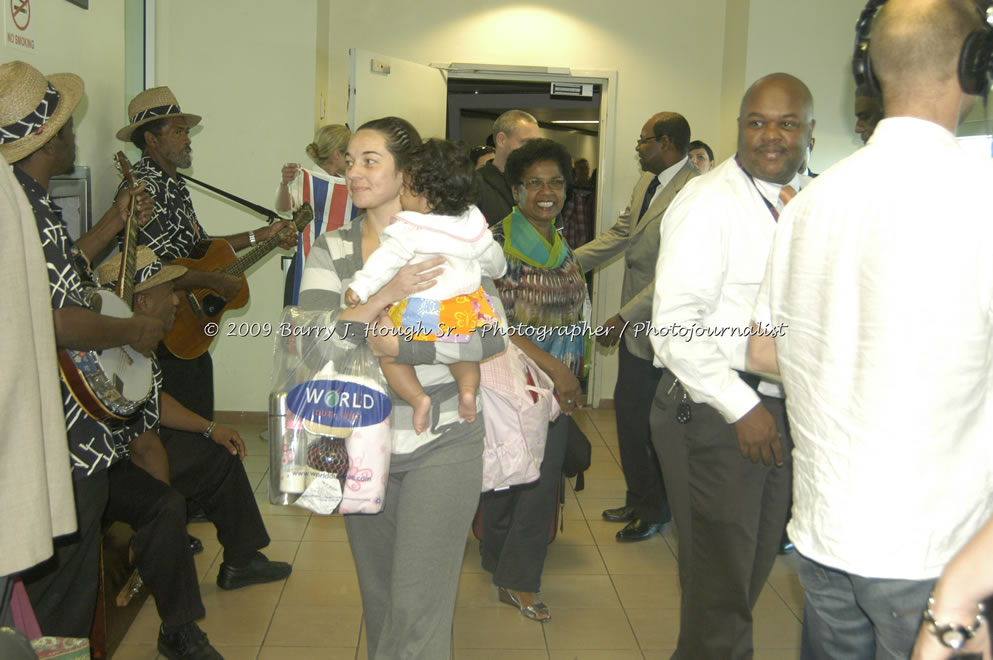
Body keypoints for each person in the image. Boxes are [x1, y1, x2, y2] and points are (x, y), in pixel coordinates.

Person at [748, 1, 993, 657]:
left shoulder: (810, 204)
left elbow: (763, 349)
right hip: (938, 555)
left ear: (867, 67)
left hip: (826, 537)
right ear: (976, 64)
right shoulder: (980, 197)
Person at [297, 116, 508, 660]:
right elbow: (315, 342)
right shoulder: (333, 249)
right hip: (358, 439)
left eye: (370, 161)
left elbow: (488, 336)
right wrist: (382, 296)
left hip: (444, 437)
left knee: (419, 606)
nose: (353, 172)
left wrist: (396, 346)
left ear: (407, 172)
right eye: (349, 161)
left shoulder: (454, 235)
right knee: (382, 600)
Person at [650, 72, 814, 659]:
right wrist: (745, 406)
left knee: (743, 578)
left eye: (787, 123)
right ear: (740, 127)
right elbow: (675, 327)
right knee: (719, 594)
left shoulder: (813, 202)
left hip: (782, 407)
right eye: (757, 122)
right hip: (716, 412)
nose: (771, 135)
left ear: (810, 133)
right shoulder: (708, 201)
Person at [2, 60, 163, 641]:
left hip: (63, 425)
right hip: (67, 435)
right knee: (64, 584)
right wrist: (131, 333)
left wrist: (112, 221)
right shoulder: (23, 211)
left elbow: (66, 268)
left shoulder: (29, 202)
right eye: (68, 129)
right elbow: (57, 323)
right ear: (51, 141)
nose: (74, 138)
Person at [96, 247, 291, 659]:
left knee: (217, 454)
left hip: (135, 449)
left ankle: (241, 559)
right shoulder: (110, 343)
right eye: (170, 290)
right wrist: (163, 519)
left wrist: (210, 428)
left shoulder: (136, 335)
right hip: (101, 469)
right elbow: (146, 447)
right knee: (164, 506)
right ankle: (178, 630)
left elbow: (155, 401)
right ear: (143, 299)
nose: (178, 298)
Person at [116, 87, 295, 431]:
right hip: (167, 328)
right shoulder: (144, 189)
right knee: (182, 430)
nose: (188, 139)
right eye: (178, 132)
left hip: (190, 327)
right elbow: (152, 270)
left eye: (187, 131)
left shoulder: (175, 184)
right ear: (151, 140)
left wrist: (263, 235)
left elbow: (199, 248)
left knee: (201, 420)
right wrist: (213, 281)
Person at [575, 112, 697, 542]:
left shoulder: (694, 192)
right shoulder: (648, 182)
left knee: (654, 426)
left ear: (665, 143)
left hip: (664, 329)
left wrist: (623, 315)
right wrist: (565, 263)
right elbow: (622, 233)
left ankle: (656, 510)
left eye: (642, 141)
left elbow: (677, 276)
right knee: (628, 419)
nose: (638, 149)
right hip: (636, 328)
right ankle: (638, 496)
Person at [481, 138, 588, 622]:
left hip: (552, 385)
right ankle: (519, 581)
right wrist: (558, 370)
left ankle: (499, 562)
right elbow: (493, 324)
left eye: (556, 182)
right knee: (533, 483)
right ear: (516, 189)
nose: (547, 192)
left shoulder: (558, 239)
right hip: (516, 385)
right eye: (535, 183)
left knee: (519, 478)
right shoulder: (496, 246)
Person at [344, 139, 506, 433]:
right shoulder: (472, 223)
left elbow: (385, 262)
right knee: (463, 357)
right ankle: (468, 391)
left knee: (392, 356)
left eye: (406, 188)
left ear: (428, 200)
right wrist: (492, 268)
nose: (401, 194)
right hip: (465, 308)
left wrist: (361, 288)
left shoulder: (410, 228)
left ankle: (418, 399)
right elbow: (494, 261)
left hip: (423, 310)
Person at [475, 109, 540, 225]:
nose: (533, 150)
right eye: (526, 143)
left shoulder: (541, 185)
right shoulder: (474, 186)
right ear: (502, 140)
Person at [276, 123, 350, 217]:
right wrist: (284, 184)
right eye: (349, 152)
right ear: (337, 154)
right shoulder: (308, 181)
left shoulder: (344, 180)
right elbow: (284, 207)